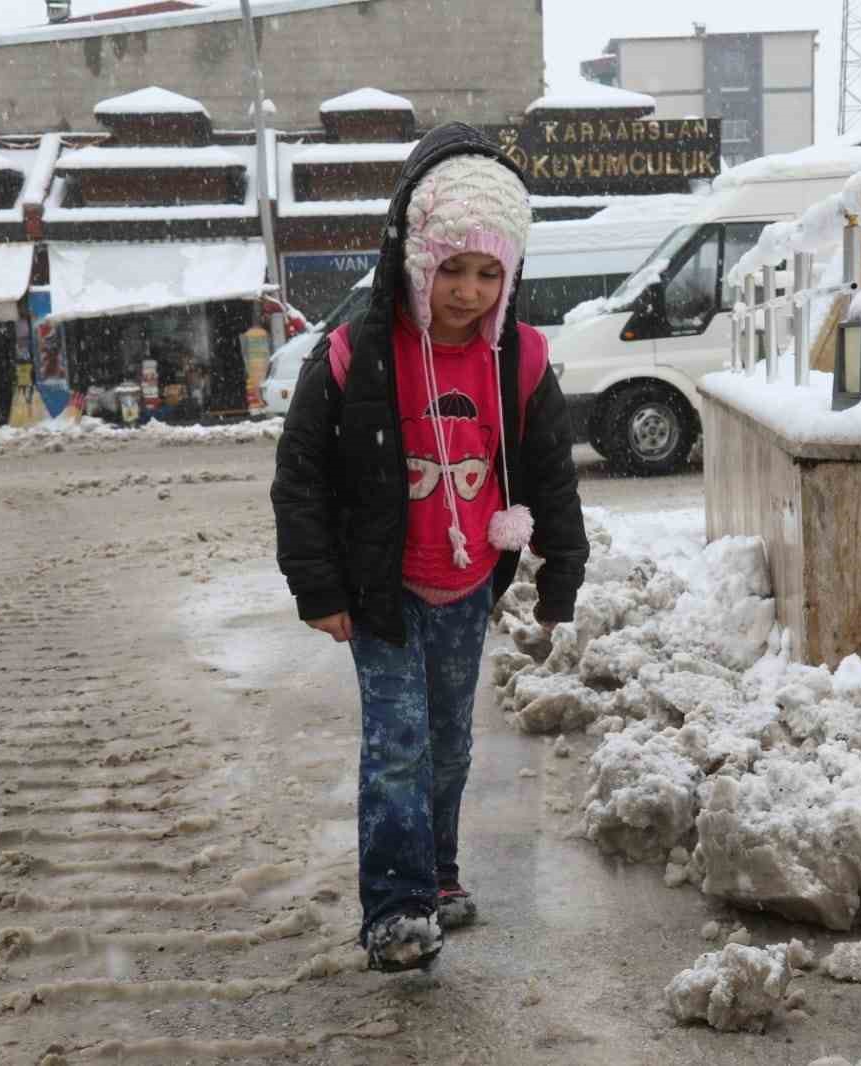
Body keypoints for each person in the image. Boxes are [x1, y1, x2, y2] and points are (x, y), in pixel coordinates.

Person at [271, 123, 589, 973]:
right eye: (452, 269)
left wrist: (560, 576)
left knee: (450, 744)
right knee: (397, 744)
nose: (469, 291)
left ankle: (438, 872)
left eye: (490, 273)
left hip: (469, 583)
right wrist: (319, 587)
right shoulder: (357, 355)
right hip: (383, 589)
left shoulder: (519, 359)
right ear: (414, 259)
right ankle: (396, 906)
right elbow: (299, 475)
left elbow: (551, 477)